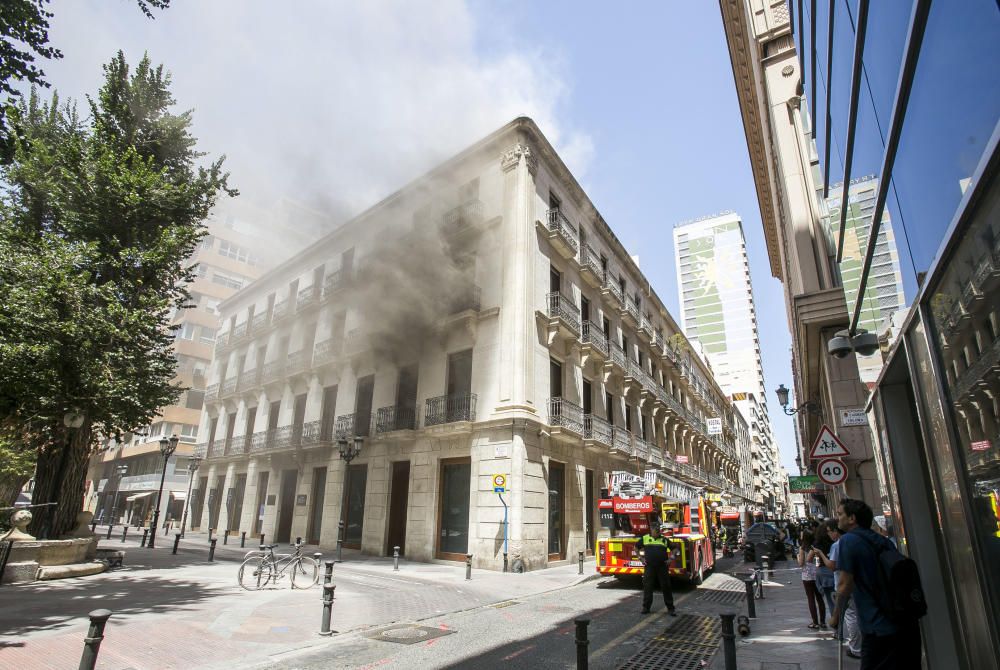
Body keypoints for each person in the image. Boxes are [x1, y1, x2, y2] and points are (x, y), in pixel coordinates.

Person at [828, 498, 922, 669]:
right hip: (904, 621)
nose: (837, 518)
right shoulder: (881, 540)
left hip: (878, 626)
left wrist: (835, 617)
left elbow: (844, 585)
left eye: (840, 514)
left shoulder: (848, 541)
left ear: (852, 518)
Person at [815, 519, 861, 659]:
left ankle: (855, 648)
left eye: (829, 531)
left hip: (843, 584)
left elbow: (832, 566)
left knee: (850, 615)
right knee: (855, 614)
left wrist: (821, 554)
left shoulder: (837, 545)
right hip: (855, 583)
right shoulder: (853, 541)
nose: (829, 534)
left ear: (836, 530)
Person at [637, 520, 677, 616]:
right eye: (656, 530)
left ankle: (670, 608)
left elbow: (675, 549)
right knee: (648, 587)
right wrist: (641, 558)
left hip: (662, 567)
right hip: (649, 567)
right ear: (651, 530)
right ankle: (646, 607)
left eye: (659, 529)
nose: (658, 531)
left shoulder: (664, 539)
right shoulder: (645, 538)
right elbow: (636, 547)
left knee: (666, 586)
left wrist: (671, 559)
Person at [797, 531, 826, 629]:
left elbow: (801, 563)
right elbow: (817, 561)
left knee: (811, 598)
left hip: (807, 576)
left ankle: (815, 622)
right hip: (817, 575)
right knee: (820, 598)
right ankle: (823, 621)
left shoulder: (802, 548)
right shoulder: (815, 548)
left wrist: (798, 557)